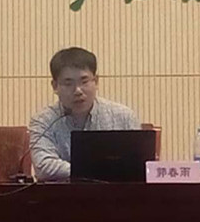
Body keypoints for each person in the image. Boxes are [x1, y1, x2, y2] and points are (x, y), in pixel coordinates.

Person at [28, 47, 140, 182]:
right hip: (62, 194)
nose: (78, 91)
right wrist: (95, 170)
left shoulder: (123, 117)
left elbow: (139, 165)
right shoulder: (43, 121)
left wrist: (85, 170)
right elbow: (44, 167)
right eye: (68, 84)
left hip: (114, 193)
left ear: (96, 81)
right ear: (55, 86)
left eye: (84, 81)